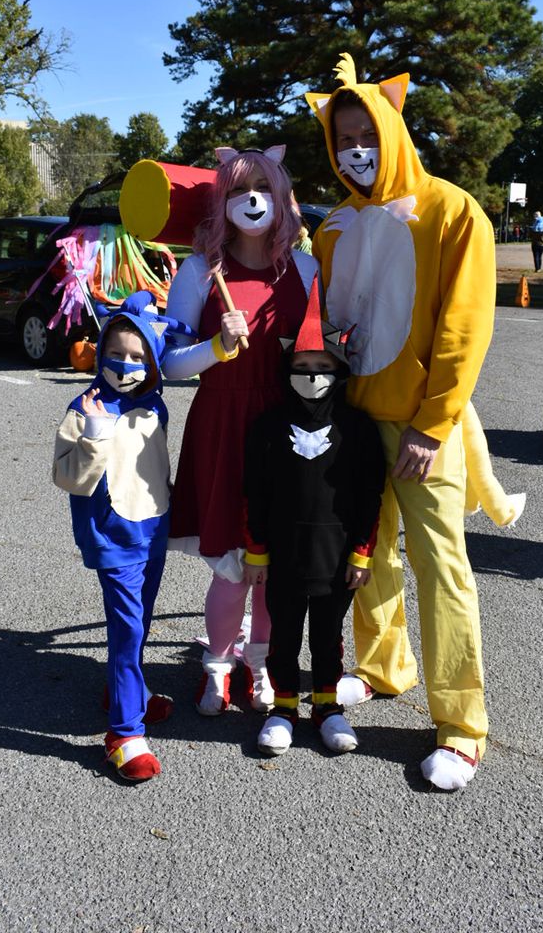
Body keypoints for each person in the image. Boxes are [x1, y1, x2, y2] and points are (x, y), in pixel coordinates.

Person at [305, 53, 496, 791]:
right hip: (350, 420)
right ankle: (384, 668)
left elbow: (465, 328)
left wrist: (432, 424)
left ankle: (462, 724)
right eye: (342, 137)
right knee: (367, 556)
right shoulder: (333, 224)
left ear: (391, 129)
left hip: (420, 427)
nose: (356, 149)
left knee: (441, 567)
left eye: (366, 134)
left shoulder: (452, 210)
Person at [162, 146, 318, 716]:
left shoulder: (303, 268)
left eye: (263, 189)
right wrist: (216, 348)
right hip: (224, 424)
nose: (251, 201)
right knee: (232, 567)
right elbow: (169, 362)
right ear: (221, 203)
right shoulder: (200, 271)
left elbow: (319, 350)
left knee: (274, 566)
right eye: (236, 191)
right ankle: (217, 669)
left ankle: (264, 664)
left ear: (281, 200)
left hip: (287, 427)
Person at [243, 277, 386, 756]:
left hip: (337, 555)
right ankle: (283, 707)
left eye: (322, 366)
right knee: (284, 634)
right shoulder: (266, 426)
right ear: (287, 370)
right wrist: (256, 551)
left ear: (339, 370)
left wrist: (362, 554)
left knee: (327, 636)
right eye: (301, 366)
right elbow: (255, 492)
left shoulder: (359, 429)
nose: (311, 374)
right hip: (282, 553)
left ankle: (327, 705)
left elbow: (371, 495)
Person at [53, 290, 188, 782]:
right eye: (116, 354)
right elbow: (67, 478)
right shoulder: (84, 406)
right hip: (113, 538)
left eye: (137, 357)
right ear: (100, 352)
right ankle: (124, 732)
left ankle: (126, 689)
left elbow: (155, 466)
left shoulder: (155, 407)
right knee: (127, 630)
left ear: (153, 363)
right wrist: (94, 432)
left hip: (153, 530)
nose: (125, 365)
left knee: (141, 621)